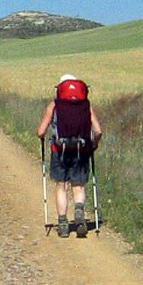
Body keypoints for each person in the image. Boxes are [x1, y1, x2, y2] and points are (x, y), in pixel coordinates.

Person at [35, 74, 102, 237]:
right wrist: (94, 144)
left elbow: (40, 131)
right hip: (82, 151)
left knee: (61, 186)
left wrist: (43, 136)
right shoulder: (86, 106)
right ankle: (79, 214)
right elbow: (98, 130)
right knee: (78, 186)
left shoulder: (54, 105)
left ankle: (63, 224)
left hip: (60, 151)